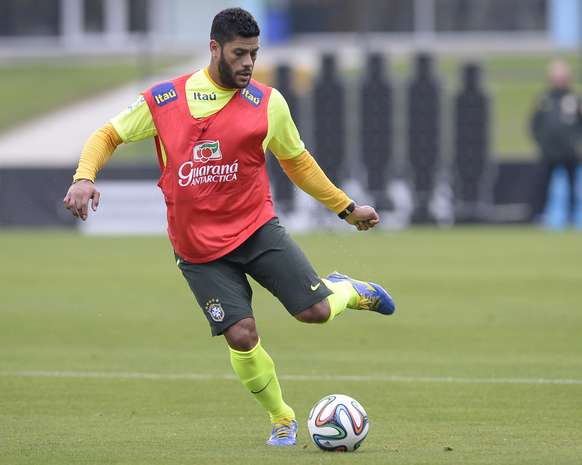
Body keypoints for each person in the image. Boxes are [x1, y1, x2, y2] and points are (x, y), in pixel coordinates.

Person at [64, 8, 395, 447]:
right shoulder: (166, 100)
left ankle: (347, 290)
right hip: (198, 250)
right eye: (239, 53)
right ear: (215, 48)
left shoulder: (268, 103)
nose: (247, 63)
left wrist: (346, 208)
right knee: (241, 335)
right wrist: (84, 177)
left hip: (257, 229)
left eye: (254, 54)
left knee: (314, 312)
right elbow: (106, 135)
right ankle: (281, 417)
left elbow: (298, 163)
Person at [530, 59, 582, 225]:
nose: (559, 80)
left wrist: (576, 143)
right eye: (556, 76)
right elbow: (534, 124)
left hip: (570, 151)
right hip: (548, 152)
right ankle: (540, 216)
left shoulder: (574, 99)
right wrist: (541, 142)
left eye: (562, 76)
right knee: (542, 185)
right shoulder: (544, 99)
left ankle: (573, 217)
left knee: (573, 186)